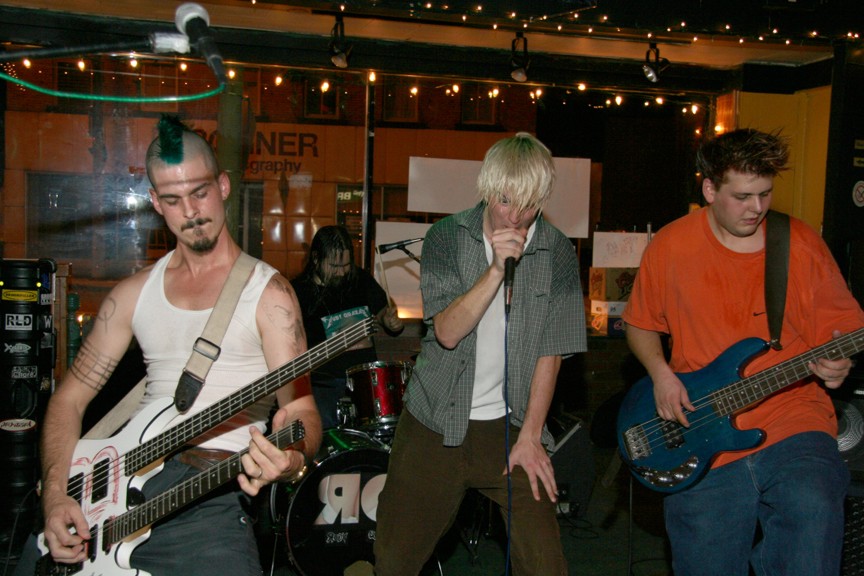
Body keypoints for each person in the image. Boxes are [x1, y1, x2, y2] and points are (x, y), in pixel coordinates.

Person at [35, 115, 321, 576]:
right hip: (119, 490)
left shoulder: (269, 296)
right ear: (155, 203)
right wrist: (54, 496)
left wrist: (290, 460)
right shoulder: (132, 294)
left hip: (209, 497)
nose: (190, 211)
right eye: (172, 199)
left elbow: (302, 412)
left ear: (223, 185)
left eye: (200, 192)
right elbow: (68, 400)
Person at [622, 128, 864, 575]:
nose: (756, 208)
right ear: (709, 189)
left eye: (765, 194)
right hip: (701, 427)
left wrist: (837, 363)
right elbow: (639, 325)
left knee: (813, 509)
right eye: (742, 196)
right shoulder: (671, 246)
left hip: (793, 417)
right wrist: (661, 375)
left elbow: (842, 329)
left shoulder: (799, 243)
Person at [374, 132, 585, 575]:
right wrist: (495, 271)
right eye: (505, 200)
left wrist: (532, 436)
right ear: (488, 189)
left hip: (510, 426)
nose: (515, 216)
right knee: (394, 561)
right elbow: (448, 332)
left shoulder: (557, 252)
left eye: (529, 204)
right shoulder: (446, 237)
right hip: (434, 421)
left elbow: (552, 352)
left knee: (546, 565)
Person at [291, 225, 403, 430]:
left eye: (346, 265)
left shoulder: (360, 279)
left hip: (364, 383)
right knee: (325, 437)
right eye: (335, 266)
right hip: (322, 384)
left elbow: (384, 313)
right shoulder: (298, 291)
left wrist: (390, 321)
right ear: (316, 259)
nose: (342, 272)